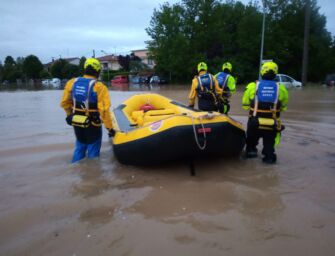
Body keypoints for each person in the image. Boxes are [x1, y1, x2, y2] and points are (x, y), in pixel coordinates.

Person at [60, 58, 115, 163]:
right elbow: (104, 111)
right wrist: (110, 129)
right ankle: (93, 174)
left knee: (80, 146)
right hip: (93, 124)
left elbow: (65, 103)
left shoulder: (72, 83)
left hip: (77, 122)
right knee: (93, 150)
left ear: (85, 68)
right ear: (98, 71)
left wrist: (70, 115)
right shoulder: (99, 87)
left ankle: (75, 168)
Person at [242, 61, 288, 164]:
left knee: (251, 141)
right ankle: (269, 158)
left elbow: (245, 104)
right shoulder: (282, 88)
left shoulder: (252, 86)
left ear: (262, 71)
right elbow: (283, 107)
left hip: (254, 122)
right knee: (269, 146)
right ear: (276, 73)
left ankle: (251, 151)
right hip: (271, 124)